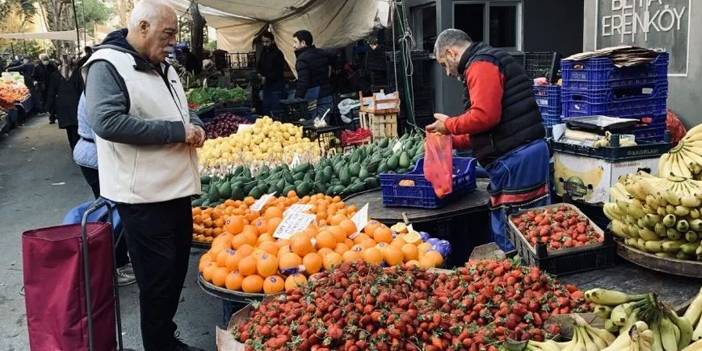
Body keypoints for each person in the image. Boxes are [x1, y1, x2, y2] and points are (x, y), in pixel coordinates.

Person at [82, 0, 206, 350]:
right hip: (143, 197)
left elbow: (182, 109)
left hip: (175, 189)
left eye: (174, 35)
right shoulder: (108, 65)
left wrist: (193, 123)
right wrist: (175, 131)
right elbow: (106, 122)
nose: (172, 42)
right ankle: (159, 344)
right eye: (167, 34)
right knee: (157, 279)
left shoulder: (162, 65)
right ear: (142, 28)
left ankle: (165, 338)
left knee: (175, 271)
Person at [426, 29, 550, 251]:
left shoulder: (481, 64)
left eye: (444, 64)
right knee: (535, 228)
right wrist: (449, 140)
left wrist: (449, 125)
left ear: (451, 52)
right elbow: (486, 129)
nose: (447, 73)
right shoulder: (490, 60)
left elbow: (485, 116)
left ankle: (521, 277)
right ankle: (536, 276)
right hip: (525, 152)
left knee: (515, 231)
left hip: (515, 159)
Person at [73, 93, 137, 286]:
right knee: (113, 215)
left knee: (111, 213)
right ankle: (117, 265)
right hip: (96, 159)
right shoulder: (97, 91)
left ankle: (111, 263)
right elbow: (104, 132)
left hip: (92, 157)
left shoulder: (94, 89)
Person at [292, 30, 333, 119]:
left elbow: (303, 82)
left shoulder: (302, 59)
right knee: (324, 125)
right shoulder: (322, 53)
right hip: (327, 93)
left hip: (313, 97)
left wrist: (297, 98)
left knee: (314, 125)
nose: (293, 45)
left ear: (303, 43)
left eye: (295, 42)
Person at [256, 31, 286, 116]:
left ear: (272, 41)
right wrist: (259, 73)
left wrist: (267, 77)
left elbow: (279, 71)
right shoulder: (264, 52)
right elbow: (259, 65)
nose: (265, 44)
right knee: (266, 107)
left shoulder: (278, 53)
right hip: (267, 85)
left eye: (267, 42)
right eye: (263, 42)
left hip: (276, 85)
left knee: (275, 108)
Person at [32, 53, 57, 119]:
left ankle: (52, 115)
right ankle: (51, 113)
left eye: (46, 59)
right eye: (44, 60)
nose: (45, 61)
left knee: (52, 100)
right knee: (46, 100)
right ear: (41, 60)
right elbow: (34, 76)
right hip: (43, 87)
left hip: (52, 86)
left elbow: (57, 74)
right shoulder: (37, 67)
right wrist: (35, 82)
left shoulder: (52, 66)